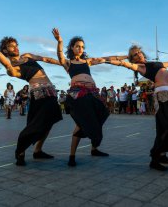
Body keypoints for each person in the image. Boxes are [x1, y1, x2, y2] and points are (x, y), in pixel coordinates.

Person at [106, 45, 168, 171]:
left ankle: (162, 155)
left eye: (139, 52)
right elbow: (123, 64)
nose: (139, 54)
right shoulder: (140, 67)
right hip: (163, 97)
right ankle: (155, 159)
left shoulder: (155, 63)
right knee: (165, 127)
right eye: (135, 54)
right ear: (132, 59)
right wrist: (108, 60)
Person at [0, 37, 62, 166]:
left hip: (51, 92)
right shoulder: (13, 68)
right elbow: (6, 64)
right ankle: (20, 150)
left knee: (49, 122)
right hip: (39, 94)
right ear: (5, 50)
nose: (16, 47)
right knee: (35, 125)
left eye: (16, 45)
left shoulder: (27, 56)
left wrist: (63, 63)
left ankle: (38, 150)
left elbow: (46, 59)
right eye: (11, 46)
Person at [52, 27, 125, 167]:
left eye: (82, 47)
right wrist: (59, 41)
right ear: (72, 48)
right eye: (77, 46)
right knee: (80, 124)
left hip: (92, 93)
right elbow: (59, 54)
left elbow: (107, 59)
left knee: (100, 115)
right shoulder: (68, 63)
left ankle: (94, 149)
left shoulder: (88, 61)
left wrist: (126, 57)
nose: (80, 49)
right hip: (78, 94)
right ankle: (72, 156)